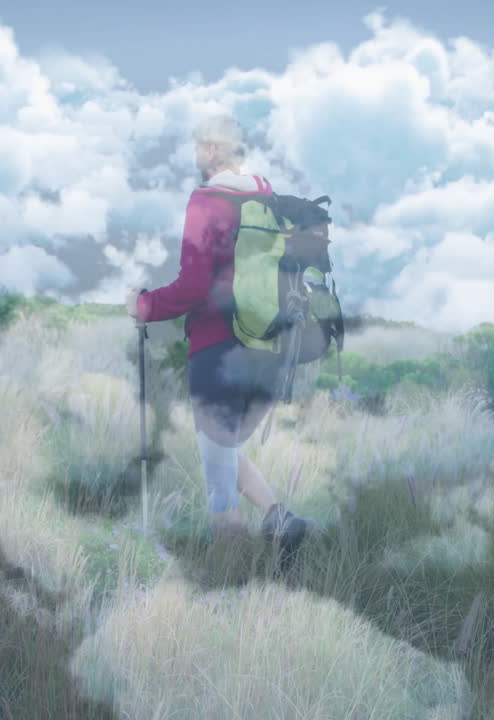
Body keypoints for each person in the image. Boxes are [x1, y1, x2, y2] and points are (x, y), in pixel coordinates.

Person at [125, 114, 308, 566]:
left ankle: (232, 582)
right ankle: (279, 518)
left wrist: (145, 306)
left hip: (218, 349)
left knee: (217, 475)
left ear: (211, 150)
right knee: (226, 450)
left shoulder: (206, 201)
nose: (194, 155)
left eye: (197, 146)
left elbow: (193, 285)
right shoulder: (270, 199)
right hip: (267, 350)